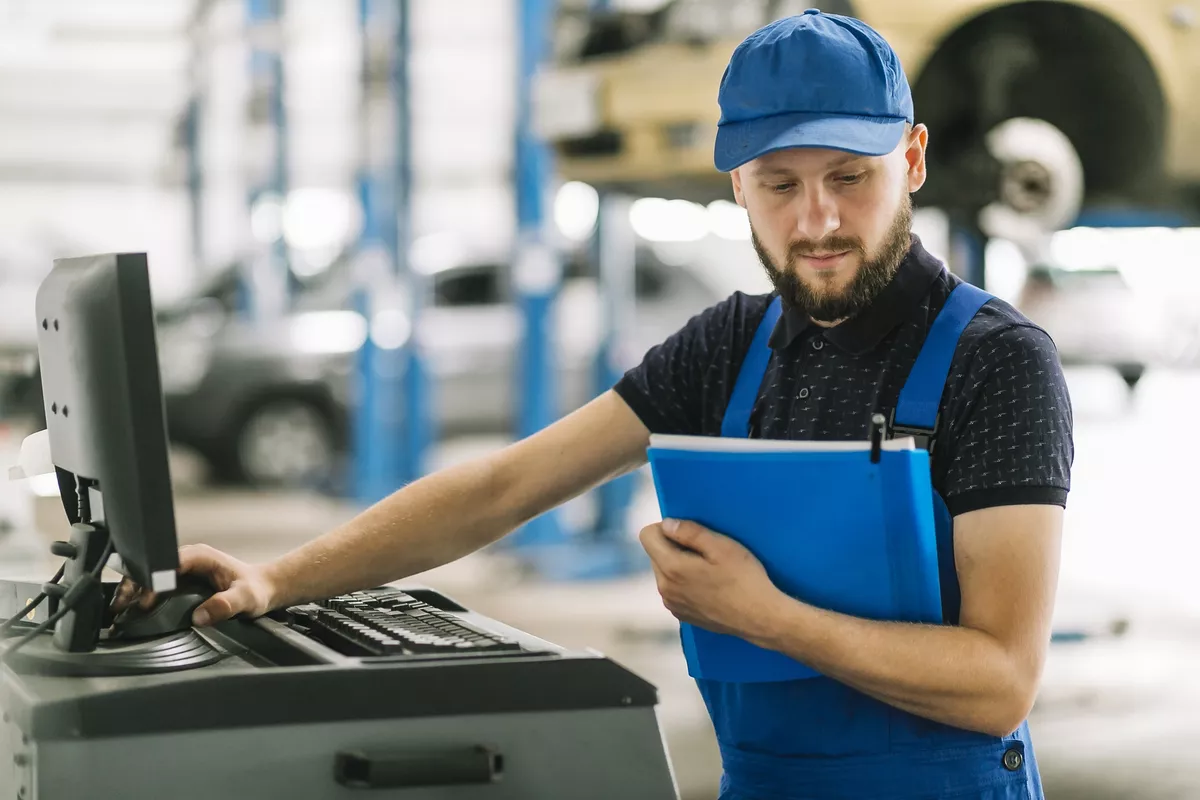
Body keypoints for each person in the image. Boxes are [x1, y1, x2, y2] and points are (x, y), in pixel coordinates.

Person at [118, 10, 1073, 799]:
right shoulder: (726, 348)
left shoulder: (997, 364)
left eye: (848, 179)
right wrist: (276, 582)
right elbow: (504, 487)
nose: (816, 220)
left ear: (911, 160)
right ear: (736, 184)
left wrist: (762, 614)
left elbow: (997, 682)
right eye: (780, 186)